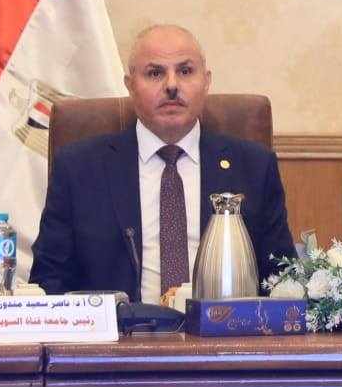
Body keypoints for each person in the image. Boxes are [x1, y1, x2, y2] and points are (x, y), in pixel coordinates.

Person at [31, 24, 295, 301]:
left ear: (206, 81)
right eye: (155, 73)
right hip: (119, 328)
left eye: (185, 71)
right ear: (130, 85)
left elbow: (281, 281)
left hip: (223, 327)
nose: (171, 85)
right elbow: (49, 281)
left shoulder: (253, 167)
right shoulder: (79, 169)